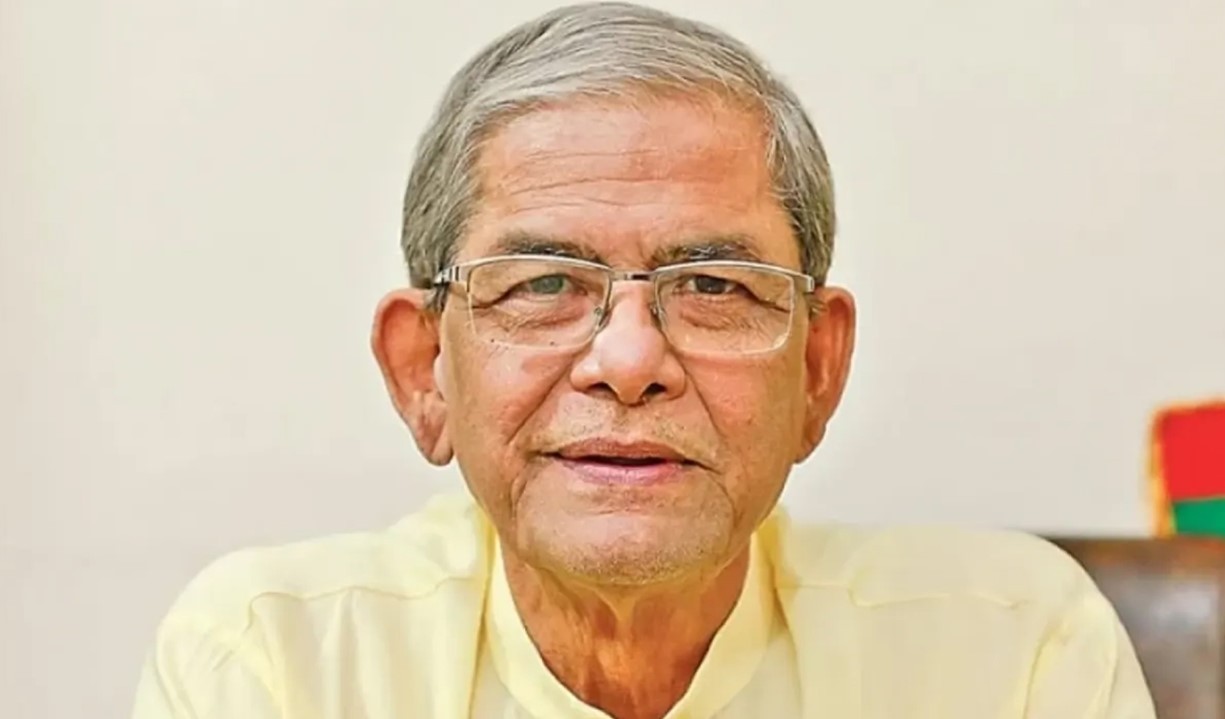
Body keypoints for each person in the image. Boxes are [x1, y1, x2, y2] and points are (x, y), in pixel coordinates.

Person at [131, 3, 1156, 717]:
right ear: (423, 369)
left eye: (712, 284)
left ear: (816, 367)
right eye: (544, 283)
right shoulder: (282, 663)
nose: (627, 361)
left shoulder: (1008, 652)